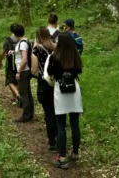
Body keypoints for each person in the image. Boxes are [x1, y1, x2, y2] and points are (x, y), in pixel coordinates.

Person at [45, 33, 83, 169]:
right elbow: (79, 70)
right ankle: (75, 153)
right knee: (75, 123)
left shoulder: (54, 56)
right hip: (74, 88)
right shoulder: (75, 55)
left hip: (60, 90)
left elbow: (49, 72)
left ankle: (62, 157)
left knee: (60, 124)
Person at [33, 27, 57, 151]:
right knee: (57, 110)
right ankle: (59, 135)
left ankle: (52, 140)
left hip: (44, 82)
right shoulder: (56, 47)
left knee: (48, 113)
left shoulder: (37, 50)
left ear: (38, 36)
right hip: (56, 81)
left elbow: (34, 69)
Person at [12, 23, 34, 122]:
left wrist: (18, 72)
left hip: (23, 71)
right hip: (25, 70)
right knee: (27, 92)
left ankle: (26, 115)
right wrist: (14, 52)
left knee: (23, 93)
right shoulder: (24, 42)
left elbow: (24, 59)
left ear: (15, 34)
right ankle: (30, 113)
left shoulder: (22, 44)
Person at [0, 30, 20, 105]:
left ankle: (18, 95)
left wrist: (0, 61)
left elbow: (2, 52)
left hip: (10, 64)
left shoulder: (8, 40)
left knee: (9, 81)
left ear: (11, 31)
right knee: (16, 81)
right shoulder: (21, 39)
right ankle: (14, 98)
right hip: (20, 64)